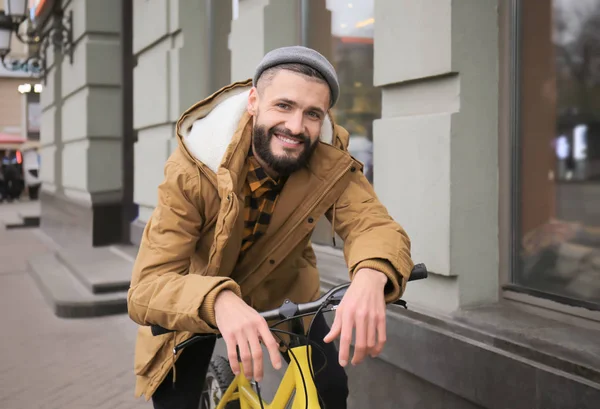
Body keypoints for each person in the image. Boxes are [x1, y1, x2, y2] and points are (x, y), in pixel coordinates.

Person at [128, 46, 413, 409]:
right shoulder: (193, 168)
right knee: (176, 400)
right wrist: (219, 300)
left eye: (312, 113)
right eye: (283, 106)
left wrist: (373, 273)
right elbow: (146, 287)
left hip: (284, 293)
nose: (296, 127)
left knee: (331, 389)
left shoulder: (328, 160)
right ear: (253, 102)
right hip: (192, 298)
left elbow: (371, 223)